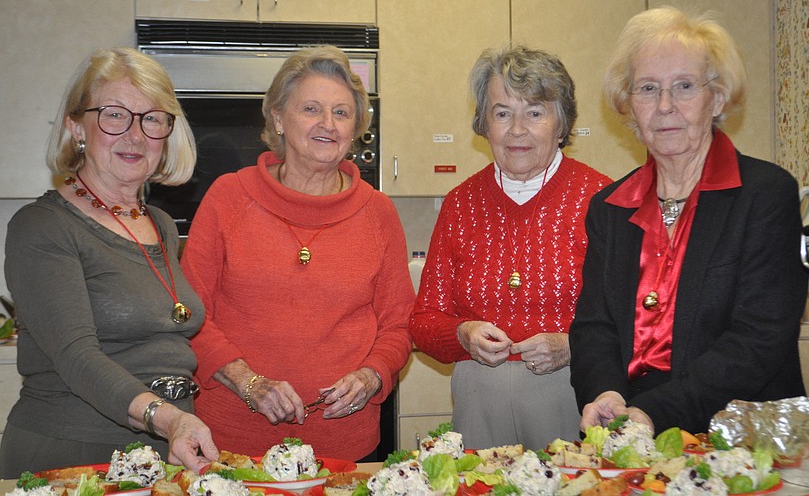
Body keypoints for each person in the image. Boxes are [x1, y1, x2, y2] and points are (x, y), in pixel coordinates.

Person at [570, 6, 808, 435]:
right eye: (647, 88)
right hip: (633, 427)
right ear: (628, 105)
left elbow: (759, 338)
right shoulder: (610, 206)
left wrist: (654, 411)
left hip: (741, 437)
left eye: (684, 86)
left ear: (716, 98)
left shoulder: (765, 195)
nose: (664, 106)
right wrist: (605, 393)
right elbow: (594, 327)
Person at [181, 46, 413, 462]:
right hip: (233, 443)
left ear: (355, 128)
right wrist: (248, 382)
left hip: (344, 445)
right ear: (277, 119)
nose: (328, 124)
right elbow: (190, 316)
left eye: (341, 113)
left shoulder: (378, 212)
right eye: (311, 109)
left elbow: (399, 325)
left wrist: (372, 375)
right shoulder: (228, 198)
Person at [0, 48, 218, 477]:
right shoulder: (42, 226)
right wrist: (169, 418)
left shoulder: (159, 224)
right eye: (114, 115)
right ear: (76, 127)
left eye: (152, 118)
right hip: (74, 456)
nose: (135, 135)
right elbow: (77, 356)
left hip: (161, 453)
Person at [409, 45, 612, 450]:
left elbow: (632, 321)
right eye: (502, 113)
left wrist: (571, 345)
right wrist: (462, 334)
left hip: (574, 392)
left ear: (561, 123)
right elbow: (423, 321)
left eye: (535, 113)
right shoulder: (461, 203)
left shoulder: (600, 199)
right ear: (484, 125)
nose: (517, 130)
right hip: (477, 400)